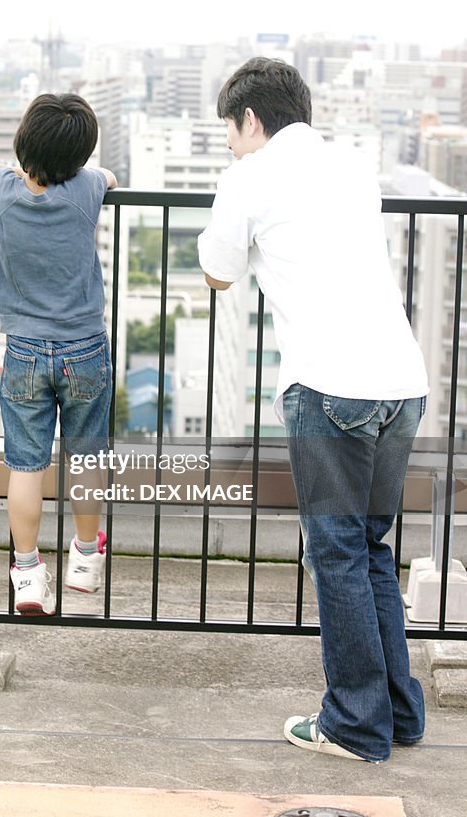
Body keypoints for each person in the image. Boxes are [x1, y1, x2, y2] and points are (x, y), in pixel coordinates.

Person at [197, 57, 429, 763]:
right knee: (371, 549)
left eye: (230, 131)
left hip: (329, 387)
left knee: (335, 554)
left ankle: (355, 727)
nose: (230, 145)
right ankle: (396, 713)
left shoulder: (247, 177)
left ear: (252, 119)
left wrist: (235, 198)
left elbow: (218, 273)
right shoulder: (352, 166)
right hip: (401, 380)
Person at [0, 92, 116, 616]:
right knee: (86, 458)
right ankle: (85, 561)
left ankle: (26, 572)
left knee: (26, 465)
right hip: (85, 349)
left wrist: (2, 167)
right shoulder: (85, 189)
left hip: (23, 352)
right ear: (80, 156)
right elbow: (108, 175)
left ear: (22, 145)